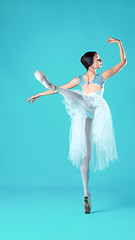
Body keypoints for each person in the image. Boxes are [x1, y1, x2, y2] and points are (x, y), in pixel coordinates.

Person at [27, 36, 127, 214]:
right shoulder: (79, 79)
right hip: (84, 114)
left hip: (95, 110)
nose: (101, 61)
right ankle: (86, 192)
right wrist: (41, 94)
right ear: (90, 63)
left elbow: (123, 62)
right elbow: (59, 88)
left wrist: (119, 43)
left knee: (76, 96)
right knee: (86, 155)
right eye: (98, 59)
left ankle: (50, 84)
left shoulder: (102, 77)